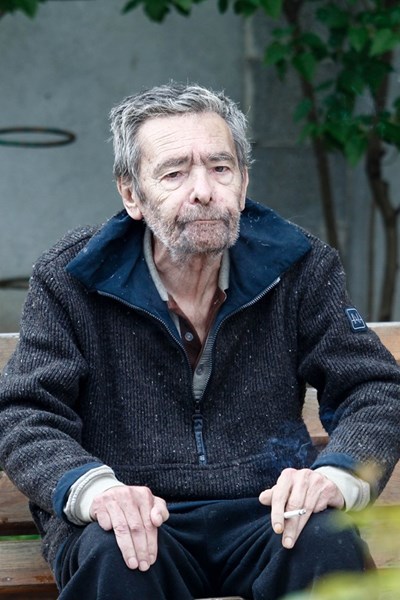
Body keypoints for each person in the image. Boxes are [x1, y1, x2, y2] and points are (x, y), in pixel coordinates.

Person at [0, 83, 399, 600]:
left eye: (220, 168)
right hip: (136, 509)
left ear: (243, 181)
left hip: (270, 510)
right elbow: (25, 412)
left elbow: (374, 389)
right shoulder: (71, 277)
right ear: (131, 194)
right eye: (174, 173)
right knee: (118, 553)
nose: (204, 190)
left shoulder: (300, 265)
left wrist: (336, 476)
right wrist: (96, 490)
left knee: (325, 541)